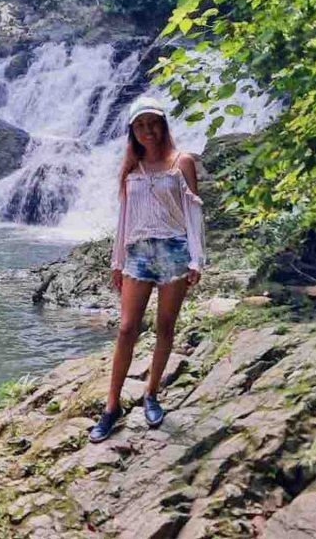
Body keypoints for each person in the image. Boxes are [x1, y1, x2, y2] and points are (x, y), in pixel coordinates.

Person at [89, 95, 206, 443]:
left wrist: (196, 259)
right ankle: (111, 407)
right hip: (138, 252)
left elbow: (193, 213)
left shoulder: (182, 163)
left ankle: (151, 394)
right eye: (140, 126)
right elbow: (123, 218)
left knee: (164, 327)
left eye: (152, 123)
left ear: (163, 124)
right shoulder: (130, 168)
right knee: (126, 329)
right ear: (132, 131)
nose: (148, 131)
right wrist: (117, 261)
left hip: (174, 252)